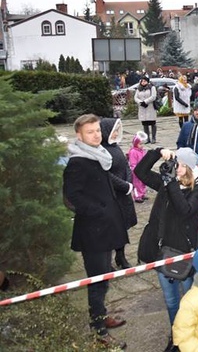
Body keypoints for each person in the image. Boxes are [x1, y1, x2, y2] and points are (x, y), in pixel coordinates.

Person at [63, 114, 130, 348]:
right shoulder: (78, 162)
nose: (96, 135)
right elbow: (71, 197)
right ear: (79, 136)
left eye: (97, 130)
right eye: (90, 132)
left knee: (104, 278)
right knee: (97, 280)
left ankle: (101, 315)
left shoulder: (97, 156)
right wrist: (99, 211)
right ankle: (99, 329)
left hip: (105, 228)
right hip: (94, 232)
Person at [134, 146, 198, 351]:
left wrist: (171, 182)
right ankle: (177, 336)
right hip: (163, 252)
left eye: (183, 165)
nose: (178, 168)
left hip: (185, 253)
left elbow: (185, 210)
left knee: (190, 299)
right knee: (171, 300)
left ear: (191, 168)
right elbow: (140, 172)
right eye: (176, 164)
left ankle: (193, 332)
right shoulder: (166, 184)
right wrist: (158, 152)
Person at [100, 118, 137, 270]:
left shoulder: (116, 147)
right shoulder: (101, 151)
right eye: (114, 130)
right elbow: (106, 174)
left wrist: (129, 183)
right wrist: (124, 185)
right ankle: (106, 263)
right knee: (110, 230)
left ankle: (121, 257)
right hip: (112, 195)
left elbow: (126, 166)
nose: (116, 133)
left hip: (123, 195)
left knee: (122, 227)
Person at [134, 74, 158, 144]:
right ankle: (147, 138)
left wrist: (146, 102)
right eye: (142, 81)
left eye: (144, 81)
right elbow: (135, 98)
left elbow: (153, 96)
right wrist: (141, 102)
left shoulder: (152, 87)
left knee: (152, 123)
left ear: (147, 81)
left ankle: (153, 138)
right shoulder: (139, 88)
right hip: (142, 108)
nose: (143, 82)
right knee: (145, 124)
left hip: (150, 107)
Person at [128, 131, 149, 203]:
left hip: (142, 169)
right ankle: (137, 196)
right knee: (137, 184)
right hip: (136, 171)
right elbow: (133, 163)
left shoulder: (142, 151)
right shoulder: (133, 151)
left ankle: (142, 194)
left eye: (142, 144)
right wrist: (135, 170)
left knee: (143, 183)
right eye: (140, 144)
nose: (142, 145)